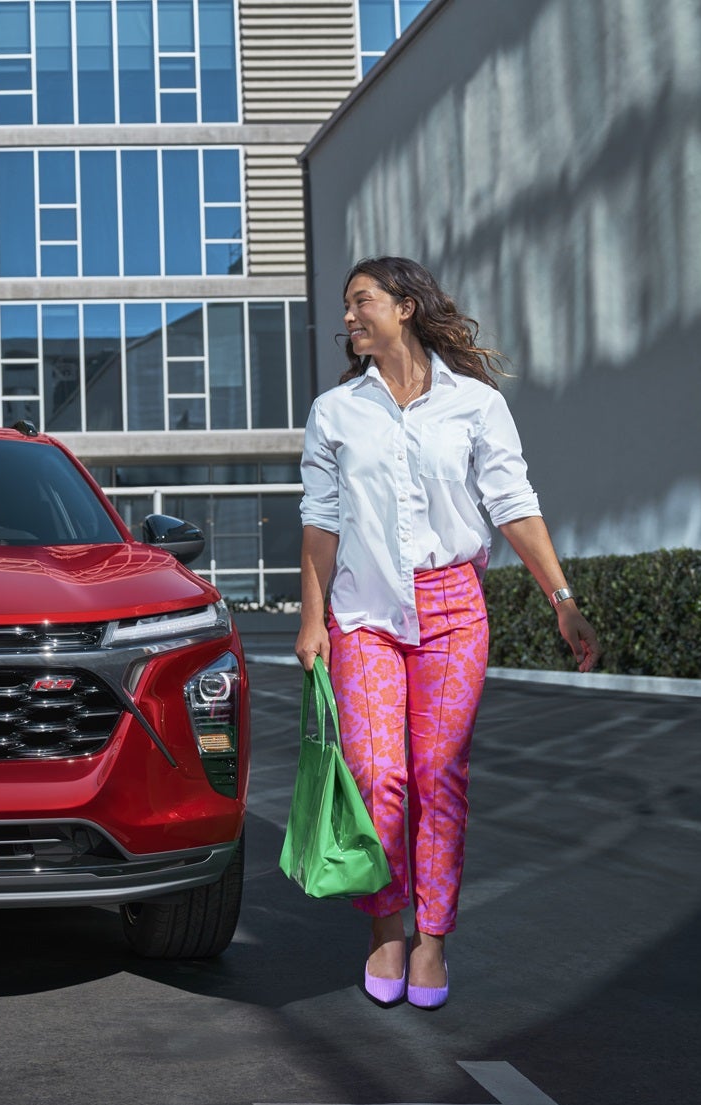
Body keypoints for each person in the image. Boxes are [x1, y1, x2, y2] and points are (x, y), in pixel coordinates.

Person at [296, 256, 598, 1010]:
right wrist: (311, 619)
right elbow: (321, 522)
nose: (349, 317)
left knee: (438, 773)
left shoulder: (476, 405)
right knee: (378, 775)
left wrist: (562, 599)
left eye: (361, 301)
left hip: (453, 609)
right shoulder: (335, 412)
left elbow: (513, 504)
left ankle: (431, 937)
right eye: (347, 306)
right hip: (365, 612)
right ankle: (385, 927)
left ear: (405, 306)